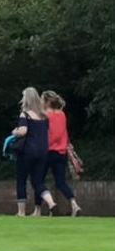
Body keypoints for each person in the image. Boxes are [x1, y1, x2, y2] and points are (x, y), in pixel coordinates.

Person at [11, 87, 55, 216]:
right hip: (43, 151)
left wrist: (15, 132)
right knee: (38, 181)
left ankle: (21, 212)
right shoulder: (44, 116)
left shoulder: (25, 114)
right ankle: (51, 203)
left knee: (21, 179)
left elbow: (23, 131)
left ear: (26, 99)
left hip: (27, 152)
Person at [42, 91, 81, 216]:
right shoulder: (62, 115)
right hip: (61, 152)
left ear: (47, 101)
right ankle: (74, 204)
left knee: (39, 181)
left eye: (42, 100)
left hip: (47, 151)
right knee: (61, 182)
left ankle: (44, 207)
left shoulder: (45, 115)